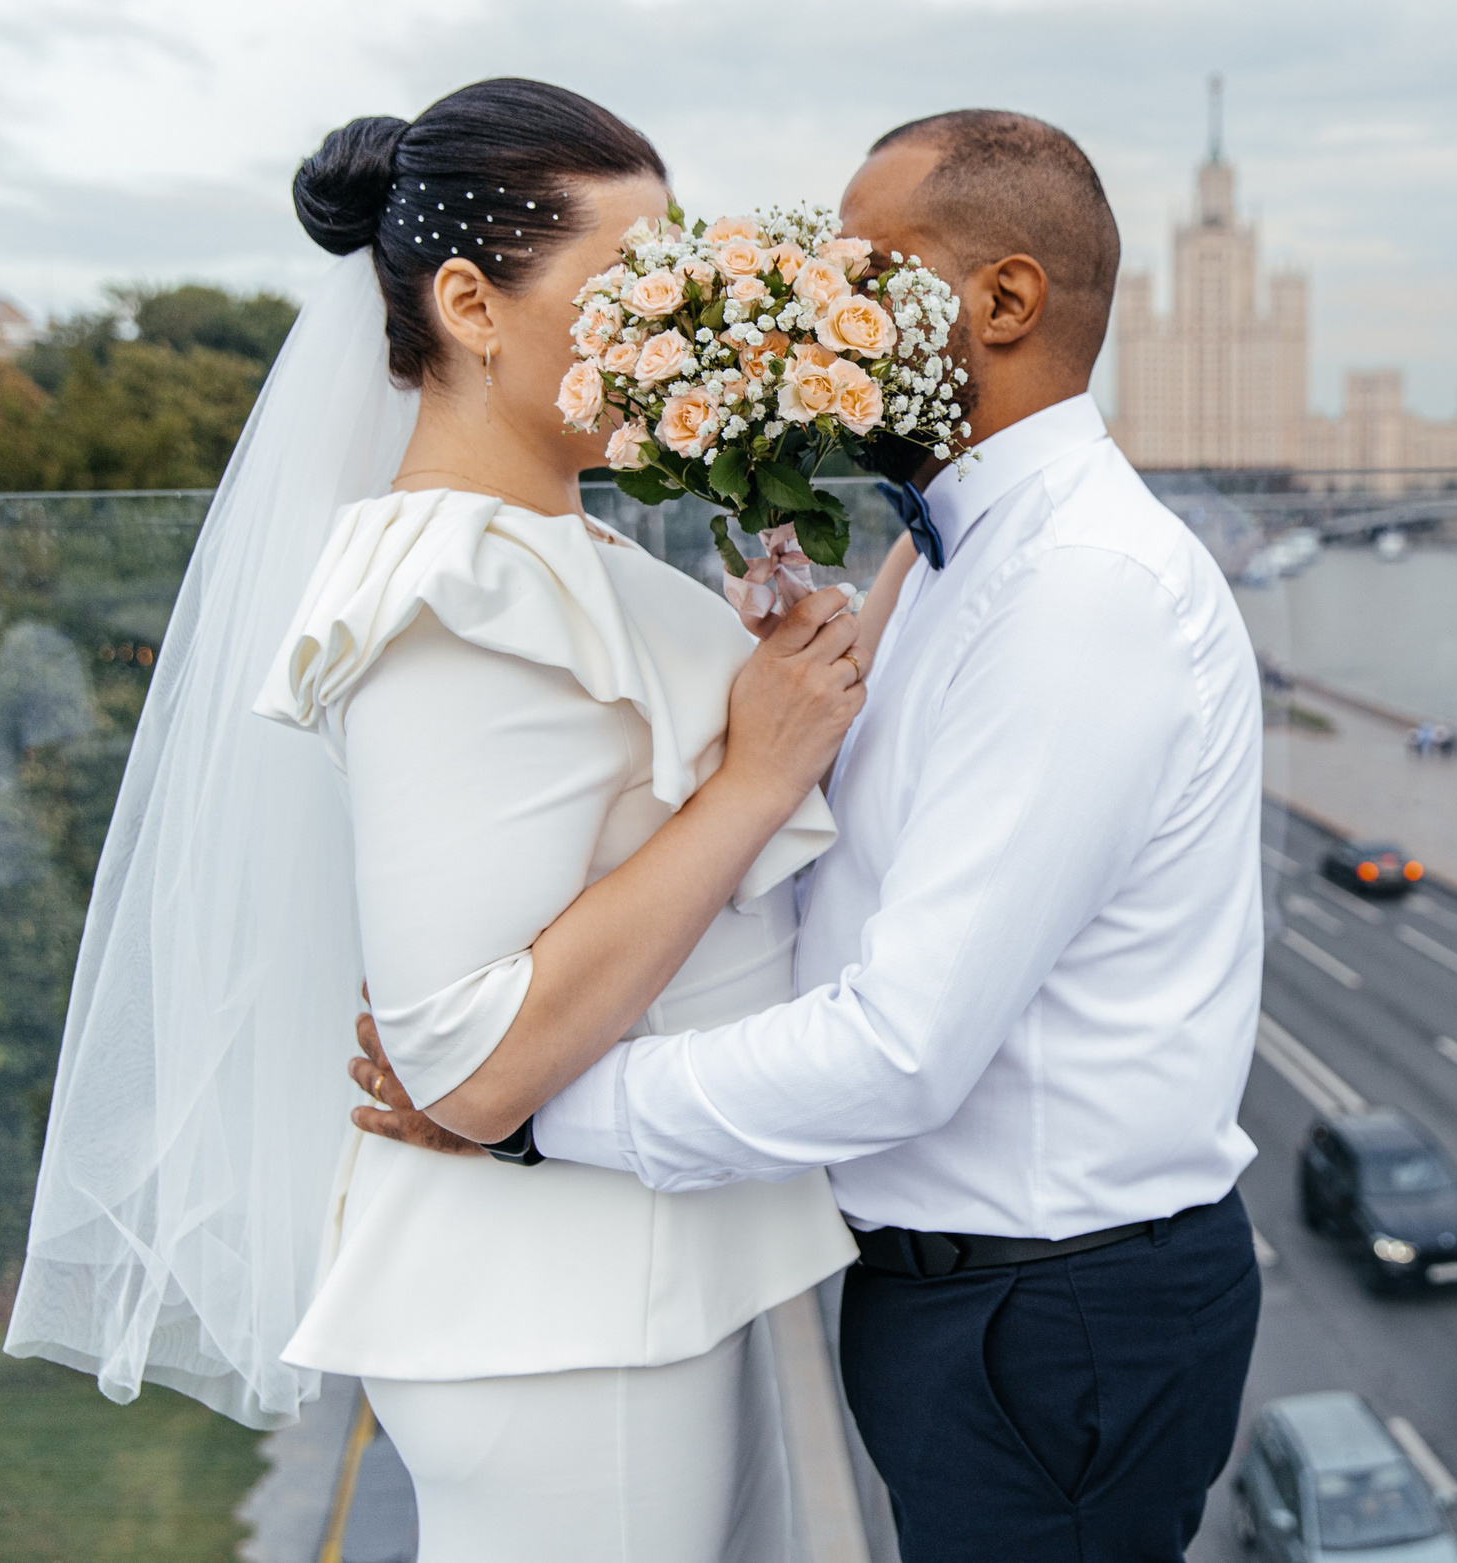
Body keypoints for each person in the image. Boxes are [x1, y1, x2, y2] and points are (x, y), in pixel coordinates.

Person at [359, 110, 1267, 1562]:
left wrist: (519, 1111)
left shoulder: (1079, 593)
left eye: (860, 271)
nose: (808, 309)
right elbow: (855, 879)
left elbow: (901, 1048)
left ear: (1003, 302)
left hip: (1056, 1311)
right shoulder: (947, 555)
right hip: (978, 1300)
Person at [10, 79, 881, 1562]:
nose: (674, 329)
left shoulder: (547, 550)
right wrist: (750, 778)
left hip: (619, 1292)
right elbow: (464, 1058)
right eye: (631, 286)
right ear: (472, 306)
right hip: (561, 1330)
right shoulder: (453, 597)